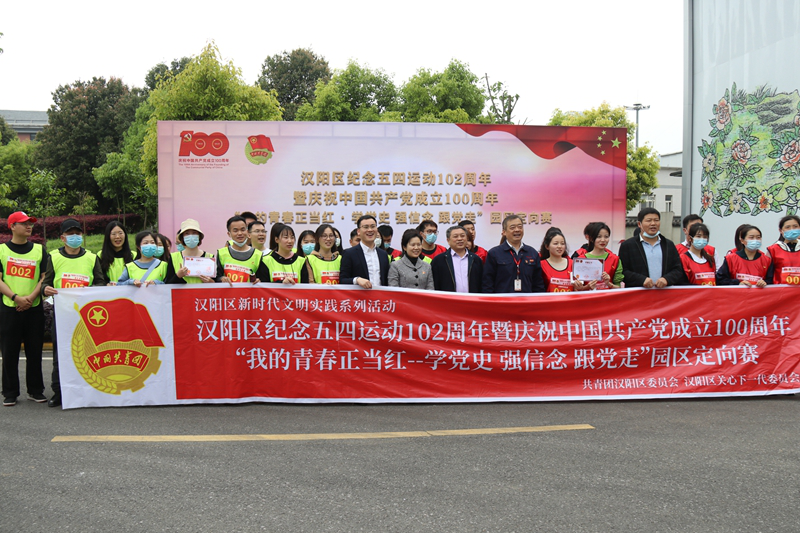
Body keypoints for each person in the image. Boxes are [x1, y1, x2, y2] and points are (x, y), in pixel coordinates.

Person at [42, 218, 106, 407]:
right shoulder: (54, 257)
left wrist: (90, 291)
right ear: (62, 238)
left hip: (86, 317)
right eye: (70, 234)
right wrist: (45, 289)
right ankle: (59, 392)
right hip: (62, 315)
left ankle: (87, 390)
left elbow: (100, 282)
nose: (75, 237)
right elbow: (46, 283)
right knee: (60, 355)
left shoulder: (91, 258)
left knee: (88, 354)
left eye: (78, 233)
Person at [1, 212, 47, 406]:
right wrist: (16, 298)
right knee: (9, 352)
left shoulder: (39, 250)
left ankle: (35, 390)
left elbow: (44, 277)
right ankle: (10, 392)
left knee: (34, 351)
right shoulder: (1, 250)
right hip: (9, 308)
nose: (29, 226)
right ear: (12, 226)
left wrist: (30, 298)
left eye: (30, 223)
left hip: (33, 307)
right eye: (24, 223)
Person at [618, 207, 685, 288]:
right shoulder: (628, 245)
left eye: (656, 220)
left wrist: (666, 279)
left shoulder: (668, 245)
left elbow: (678, 269)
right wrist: (642, 280)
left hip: (664, 292)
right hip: (638, 293)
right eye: (649, 220)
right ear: (639, 224)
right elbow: (623, 271)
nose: (653, 223)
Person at [482, 214, 545, 293]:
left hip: (526, 300)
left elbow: (538, 284)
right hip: (502, 300)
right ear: (504, 232)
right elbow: (487, 284)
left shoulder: (532, 253)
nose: (517, 230)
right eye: (512, 227)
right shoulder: (494, 254)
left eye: (520, 227)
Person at [340, 214, 390, 288]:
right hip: (360, 295)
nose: (370, 230)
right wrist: (357, 280)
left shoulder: (383, 254)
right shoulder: (349, 254)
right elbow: (342, 280)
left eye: (373, 226)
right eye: (366, 227)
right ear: (358, 231)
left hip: (380, 295)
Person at [215, 216, 269, 284]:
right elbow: (216, 277)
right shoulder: (221, 253)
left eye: (243, 230)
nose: (240, 233)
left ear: (247, 232)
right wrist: (221, 279)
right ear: (229, 234)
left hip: (249, 291)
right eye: (235, 231)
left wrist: (259, 281)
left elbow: (264, 281)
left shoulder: (257, 255)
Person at [431, 225, 483, 293]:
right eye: (455, 236)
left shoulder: (476, 259)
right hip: (448, 299)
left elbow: (481, 283)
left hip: (472, 298)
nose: (460, 239)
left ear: (467, 238)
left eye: (462, 236)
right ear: (448, 240)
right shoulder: (439, 260)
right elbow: (435, 284)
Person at [539, 227, 588, 292]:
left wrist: (580, 287)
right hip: (550, 298)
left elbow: (582, 287)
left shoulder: (573, 264)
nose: (559, 246)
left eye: (562, 243)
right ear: (547, 246)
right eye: (555, 243)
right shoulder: (541, 265)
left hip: (570, 298)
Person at [168, 218, 215, 284]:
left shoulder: (209, 257)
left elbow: (216, 283)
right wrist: (178, 276)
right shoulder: (173, 257)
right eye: (187, 233)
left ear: (199, 236)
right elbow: (167, 284)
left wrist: (211, 282)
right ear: (182, 238)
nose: (191, 236)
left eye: (194, 233)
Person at [580, 222, 623, 289]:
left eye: (606, 237)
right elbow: (577, 288)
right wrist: (587, 287)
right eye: (599, 237)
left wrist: (608, 283)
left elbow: (618, 288)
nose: (603, 240)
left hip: (608, 295)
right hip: (588, 295)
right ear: (591, 238)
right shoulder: (581, 259)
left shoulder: (615, 259)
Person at [766, 215, 800, 285]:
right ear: (781, 230)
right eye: (787, 227)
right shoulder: (773, 250)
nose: (792, 229)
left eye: (795, 226)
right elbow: (768, 275)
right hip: (781, 290)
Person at [98, 221, 134, 286]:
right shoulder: (100, 255)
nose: (117, 237)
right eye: (113, 234)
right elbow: (99, 278)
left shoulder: (134, 255)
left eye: (120, 233)